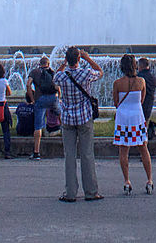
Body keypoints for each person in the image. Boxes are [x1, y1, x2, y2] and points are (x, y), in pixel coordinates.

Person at [55, 46, 104, 202]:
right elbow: (100, 72)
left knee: (69, 156)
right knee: (87, 154)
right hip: (84, 118)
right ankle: (91, 192)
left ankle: (70, 193)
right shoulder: (86, 73)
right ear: (78, 59)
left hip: (68, 119)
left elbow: (55, 76)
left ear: (67, 59)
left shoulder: (61, 77)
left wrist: (64, 63)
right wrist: (88, 58)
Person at [112, 54, 153, 195]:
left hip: (123, 117)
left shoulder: (117, 83)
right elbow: (141, 100)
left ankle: (127, 181)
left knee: (123, 149)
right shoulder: (141, 81)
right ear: (135, 66)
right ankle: (149, 180)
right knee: (143, 147)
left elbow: (116, 102)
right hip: (137, 116)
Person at [26, 56, 60, 160]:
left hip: (40, 99)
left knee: (38, 126)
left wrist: (32, 99)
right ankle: (68, 143)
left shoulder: (34, 72)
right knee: (62, 115)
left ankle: (36, 152)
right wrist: (59, 96)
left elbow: (28, 85)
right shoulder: (52, 72)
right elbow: (58, 86)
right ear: (48, 64)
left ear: (39, 64)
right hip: (53, 98)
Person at [137, 57, 156, 125]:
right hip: (149, 105)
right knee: (144, 127)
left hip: (140, 106)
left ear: (140, 66)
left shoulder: (139, 77)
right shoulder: (152, 77)